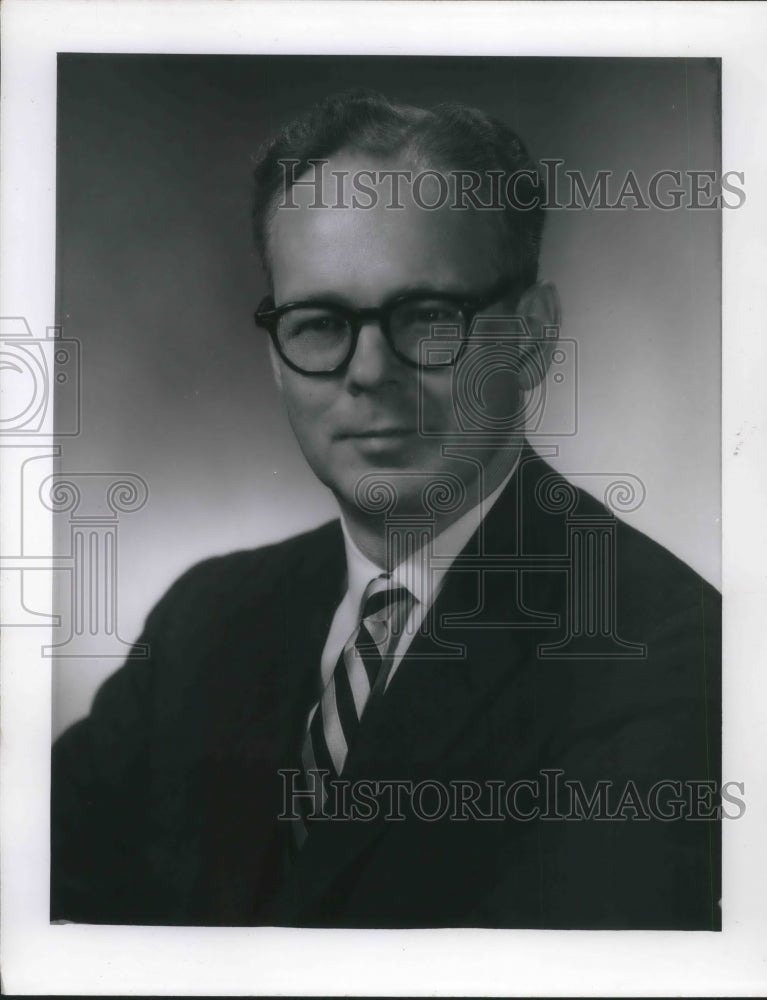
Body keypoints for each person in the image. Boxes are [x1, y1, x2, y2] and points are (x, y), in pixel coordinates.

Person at [51, 90, 721, 929]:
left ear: (535, 335)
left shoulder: (666, 653)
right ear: (276, 356)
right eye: (321, 322)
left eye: (428, 317)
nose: (369, 372)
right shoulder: (205, 620)